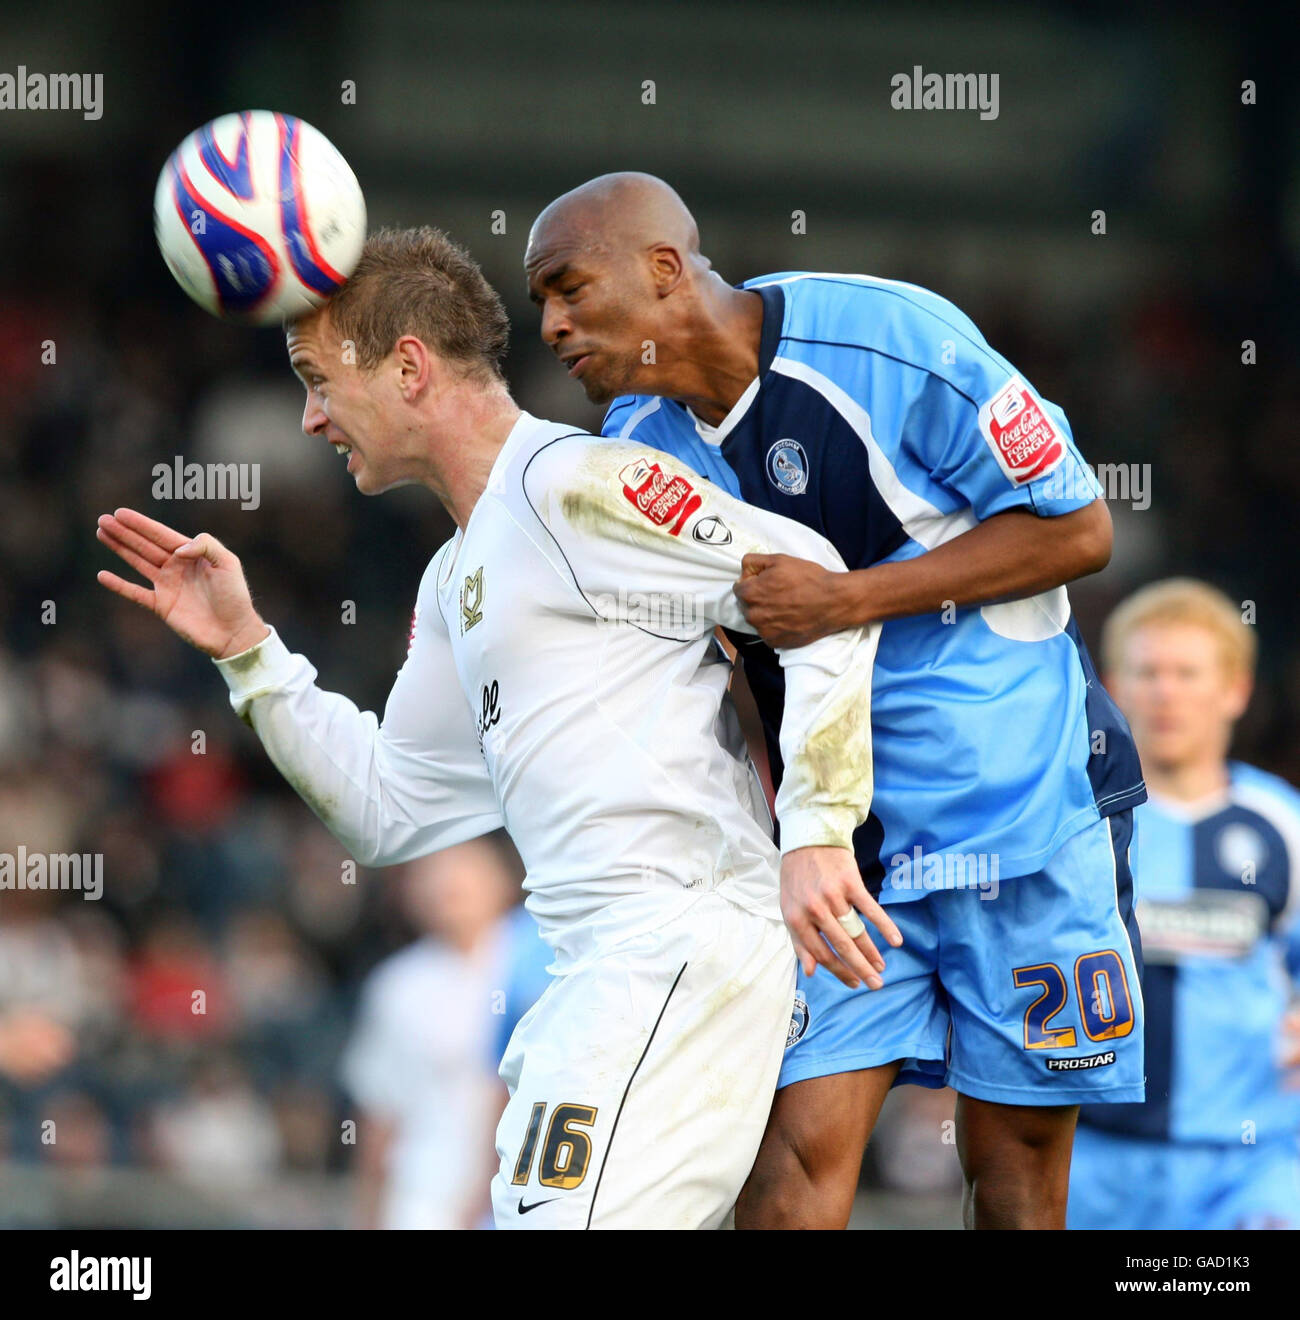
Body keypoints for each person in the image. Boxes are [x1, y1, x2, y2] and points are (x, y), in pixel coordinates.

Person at [95, 226, 896, 1229]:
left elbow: (821, 594)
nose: (307, 418)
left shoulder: (575, 487)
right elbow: (384, 812)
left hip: (676, 947)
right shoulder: (454, 575)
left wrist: (819, 832)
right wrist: (250, 654)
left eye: (316, 379)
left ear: (410, 366)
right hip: (587, 979)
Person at [526, 173, 1146, 1229]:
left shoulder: (890, 343)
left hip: (1030, 815)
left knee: (1014, 1176)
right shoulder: (637, 456)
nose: (551, 325)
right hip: (840, 856)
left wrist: (849, 597)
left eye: (570, 289)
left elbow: (1080, 531)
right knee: (787, 1180)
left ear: (665, 270)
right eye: (544, 303)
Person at [1068, 579, 1300, 1229]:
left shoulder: (1283, 825)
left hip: (1249, 1167)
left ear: (1235, 690)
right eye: (1148, 672)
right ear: (1115, 684)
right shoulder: (1073, 826)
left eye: (1187, 673)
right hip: (1090, 1158)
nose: (1166, 692)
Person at [340, 837, 539, 1230]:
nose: (445, 884)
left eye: (464, 866)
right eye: (430, 871)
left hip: (527, 1201)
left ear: (502, 877)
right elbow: (380, 1111)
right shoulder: (397, 985)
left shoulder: (540, 962)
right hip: (422, 1199)